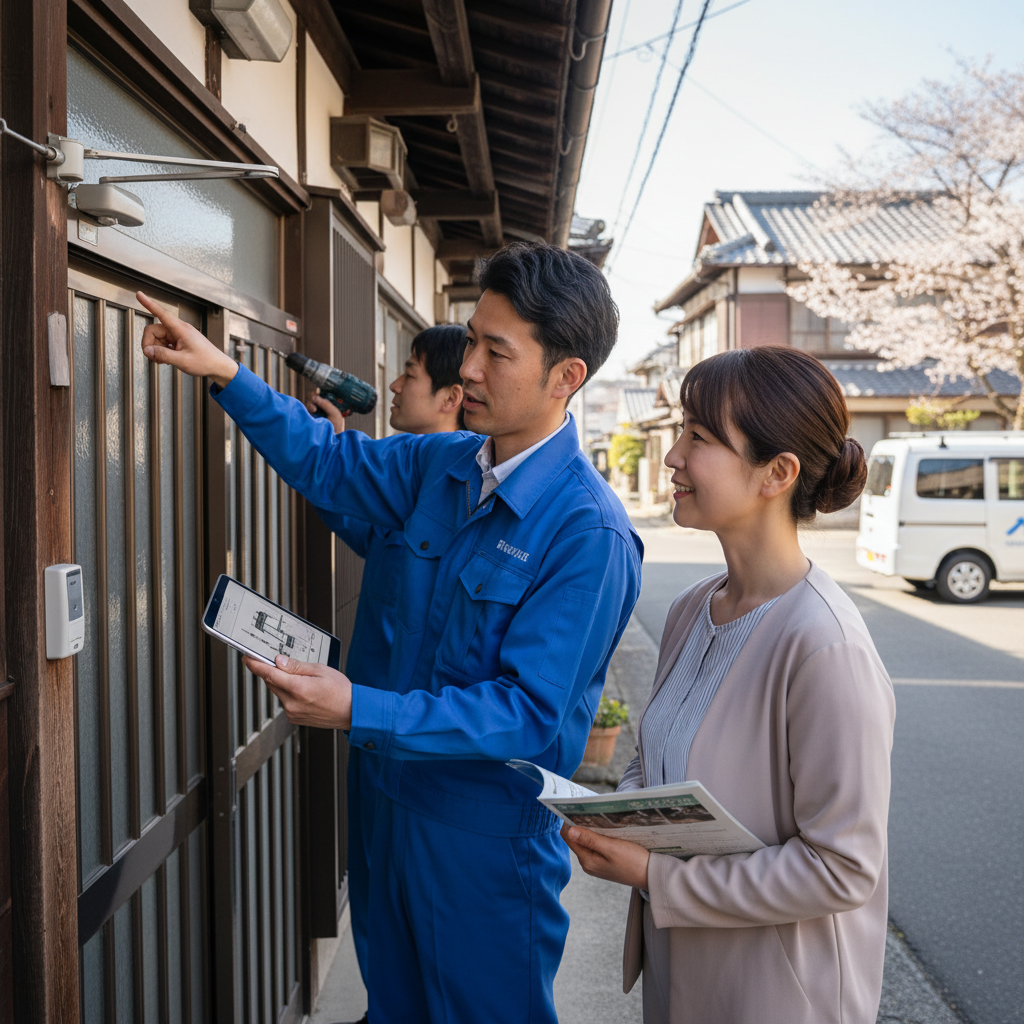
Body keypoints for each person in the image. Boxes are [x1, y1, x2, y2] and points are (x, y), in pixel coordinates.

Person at [137, 242, 643, 1024]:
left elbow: (528, 713)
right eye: (472, 339)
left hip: (482, 840)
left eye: (494, 351)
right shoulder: (440, 463)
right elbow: (330, 463)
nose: (468, 367)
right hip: (384, 803)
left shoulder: (588, 533)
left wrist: (357, 709)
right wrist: (224, 374)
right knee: (393, 1008)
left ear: (565, 377)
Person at [563, 346, 895, 1024]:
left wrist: (655, 874)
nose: (672, 457)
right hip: (685, 973)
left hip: (777, 995)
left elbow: (843, 868)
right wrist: (614, 813)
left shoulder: (825, 645)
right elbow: (655, 760)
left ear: (777, 473)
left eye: (700, 437)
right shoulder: (693, 607)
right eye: (682, 430)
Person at [307, 324, 466, 1011]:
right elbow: (362, 526)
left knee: (426, 936)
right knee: (375, 905)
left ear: (452, 397)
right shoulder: (410, 476)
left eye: (409, 372)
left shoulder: (461, 491)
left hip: (413, 739)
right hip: (373, 728)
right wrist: (332, 452)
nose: (395, 384)